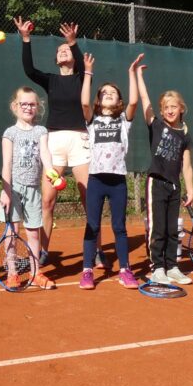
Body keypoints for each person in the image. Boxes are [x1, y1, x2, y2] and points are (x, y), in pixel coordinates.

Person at [14, 17, 103, 269]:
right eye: (60, 51)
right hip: (53, 142)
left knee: (89, 199)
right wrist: (25, 39)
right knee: (47, 201)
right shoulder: (51, 80)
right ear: (56, 60)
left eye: (66, 50)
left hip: (80, 140)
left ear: (73, 58)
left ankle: (97, 251)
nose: (63, 51)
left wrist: (73, 42)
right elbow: (30, 70)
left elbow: (81, 62)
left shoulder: (81, 78)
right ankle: (42, 251)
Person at [77, 53, 146, 290]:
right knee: (92, 225)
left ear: (118, 100)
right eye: (104, 92)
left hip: (117, 181)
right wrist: (88, 72)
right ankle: (87, 271)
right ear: (99, 99)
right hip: (96, 179)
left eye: (112, 92)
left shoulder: (124, 120)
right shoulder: (92, 119)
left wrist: (132, 73)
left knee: (119, 226)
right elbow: (84, 103)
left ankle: (125, 270)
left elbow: (135, 103)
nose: (107, 94)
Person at [137, 69, 193, 285]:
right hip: (156, 184)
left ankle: (172, 267)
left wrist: (190, 189)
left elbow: (186, 166)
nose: (170, 110)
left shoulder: (185, 135)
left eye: (174, 106)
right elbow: (145, 100)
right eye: (166, 107)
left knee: (172, 230)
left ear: (181, 109)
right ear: (161, 111)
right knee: (157, 228)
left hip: (174, 186)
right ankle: (157, 268)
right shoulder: (157, 126)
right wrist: (138, 77)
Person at [0, 86, 58, 290]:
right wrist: (5, 191)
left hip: (33, 189)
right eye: (24, 103)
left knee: (33, 233)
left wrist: (51, 172)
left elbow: (45, 154)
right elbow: (6, 164)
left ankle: (35, 273)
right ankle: (13, 273)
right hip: (13, 189)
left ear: (38, 107)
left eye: (32, 104)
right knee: (11, 233)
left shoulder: (41, 131)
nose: (28, 107)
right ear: (15, 106)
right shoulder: (9, 133)